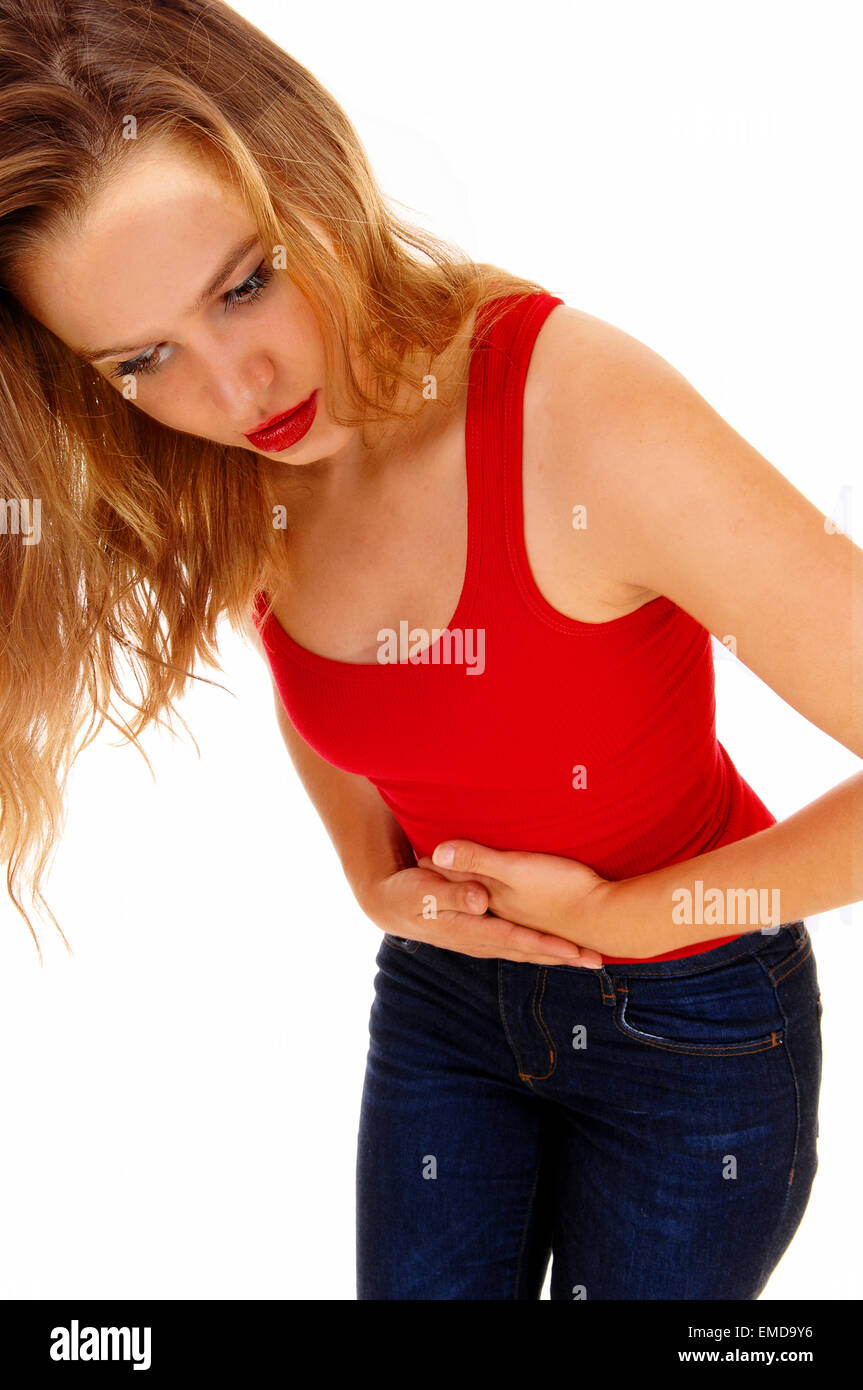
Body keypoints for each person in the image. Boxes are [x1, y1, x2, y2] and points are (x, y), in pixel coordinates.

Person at [0, 0, 856, 1299]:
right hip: (447, 1001)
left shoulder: (582, 415)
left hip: (693, 1026)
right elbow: (326, 683)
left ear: (310, 160)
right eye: (143, 359)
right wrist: (367, 869)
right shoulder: (232, 465)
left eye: (246, 281)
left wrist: (629, 916)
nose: (238, 391)